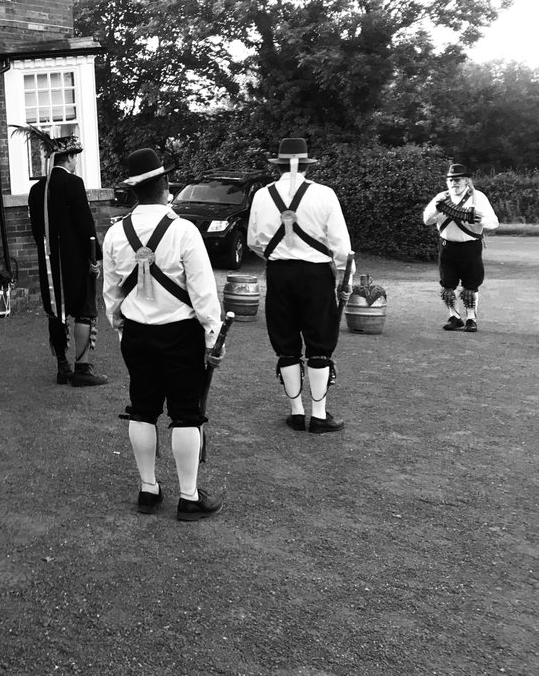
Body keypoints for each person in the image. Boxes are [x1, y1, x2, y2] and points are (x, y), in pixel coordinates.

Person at [102, 149, 226, 520]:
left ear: (135, 190)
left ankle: (148, 490)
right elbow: (204, 295)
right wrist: (212, 339)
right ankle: (188, 497)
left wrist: (122, 330)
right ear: (166, 185)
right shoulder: (184, 231)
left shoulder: (114, 234)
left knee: (142, 409)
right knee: (187, 413)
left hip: (137, 335)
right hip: (181, 335)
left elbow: (111, 296)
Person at [247, 138, 353, 434]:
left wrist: (278, 256)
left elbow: (253, 241)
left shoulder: (262, 195)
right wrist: (346, 278)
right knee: (319, 344)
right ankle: (318, 415)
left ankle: (296, 413)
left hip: (279, 274)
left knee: (286, 342)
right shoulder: (325, 195)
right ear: (306, 165)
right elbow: (341, 246)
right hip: (316, 276)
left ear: (279, 164)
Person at [17, 126, 107, 387]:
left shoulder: (37, 190)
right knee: (84, 310)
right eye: (75, 156)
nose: (76, 161)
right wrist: (94, 257)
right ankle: (82, 368)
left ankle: (62, 367)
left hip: (48, 261)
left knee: (56, 311)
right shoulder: (73, 183)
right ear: (67, 158)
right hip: (75, 260)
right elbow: (85, 225)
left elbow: (36, 231)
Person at [422, 163, 499, 333]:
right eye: (450, 180)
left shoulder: (478, 198)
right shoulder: (441, 198)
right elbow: (426, 220)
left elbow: (494, 223)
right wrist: (436, 208)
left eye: (457, 180)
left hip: (470, 246)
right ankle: (454, 317)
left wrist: (479, 220)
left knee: (471, 285)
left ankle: (471, 318)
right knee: (447, 284)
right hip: (447, 247)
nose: (454, 183)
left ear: (466, 181)